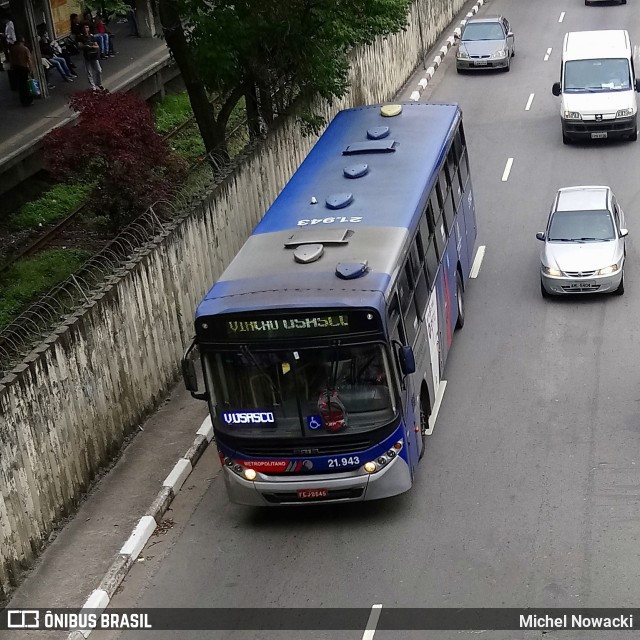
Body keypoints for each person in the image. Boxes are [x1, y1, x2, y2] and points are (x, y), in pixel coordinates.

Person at [9, 36, 34, 106]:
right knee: (27, 85)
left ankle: (23, 100)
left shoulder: (12, 49)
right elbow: (29, 59)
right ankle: (29, 100)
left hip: (16, 68)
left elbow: (11, 59)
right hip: (24, 68)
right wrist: (31, 69)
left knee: (20, 85)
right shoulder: (25, 49)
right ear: (22, 41)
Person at [77, 23, 103, 90]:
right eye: (84, 27)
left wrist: (91, 46)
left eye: (87, 27)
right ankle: (92, 86)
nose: (85, 29)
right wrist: (85, 46)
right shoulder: (80, 37)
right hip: (87, 56)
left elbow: (97, 46)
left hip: (93, 55)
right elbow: (79, 46)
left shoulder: (91, 36)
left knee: (99, 70)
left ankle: (99, 83)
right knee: (89, 72)